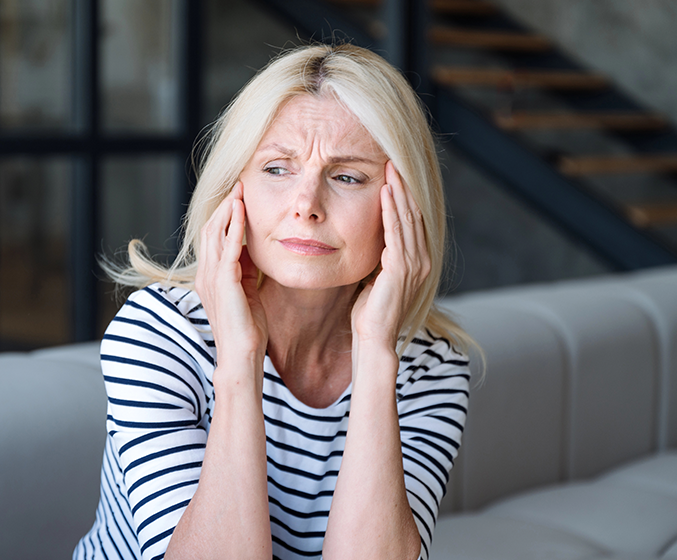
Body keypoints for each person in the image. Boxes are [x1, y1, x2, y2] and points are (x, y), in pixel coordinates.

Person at [74, 43, 474, 560]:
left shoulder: (431, 366)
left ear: (405, 207)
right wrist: (240, 360)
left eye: (347, 176)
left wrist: (376, 357)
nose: (306, 205)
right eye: (278, 169)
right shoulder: (159, 333)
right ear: (233, 186)